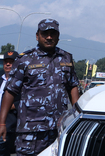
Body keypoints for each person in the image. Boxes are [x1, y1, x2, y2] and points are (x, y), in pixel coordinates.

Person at [0, 19, 80, 156]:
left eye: (52, 34)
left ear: (58, 36)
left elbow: (73, 86)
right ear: (37, 36)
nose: (49, 37)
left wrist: (77, 116)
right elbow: (10, 91)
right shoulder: (25, 60)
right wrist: (2, 123)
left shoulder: (66, 58)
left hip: (58, 128)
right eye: (45, 34)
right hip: (30, 130)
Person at [0, 51, 18, 156]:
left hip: (10, 125)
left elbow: (23, 102)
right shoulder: (1, 80)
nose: (8, 64)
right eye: (6, 62)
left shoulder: (22, 82)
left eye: (11, 62)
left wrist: (7, 107)